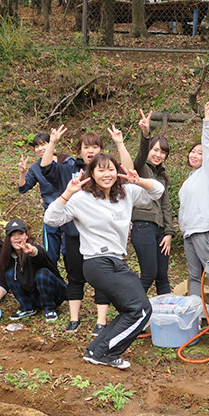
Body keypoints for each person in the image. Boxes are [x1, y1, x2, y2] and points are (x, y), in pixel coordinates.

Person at [44, 154, 164, 369]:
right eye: (100, 170)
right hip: (97, 262)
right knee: (142, 309)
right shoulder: (81, 198)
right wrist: (67, 193)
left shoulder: (126, 193)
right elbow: (51, 219)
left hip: (117, 261)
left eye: (110, 169)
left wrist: (138, 180)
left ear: (116, 171)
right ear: (91, 174)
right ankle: (105, 353)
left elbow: (157, 191)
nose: (106, 174)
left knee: (132, 309)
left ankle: (96, 350)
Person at [41, 125, 132, 334]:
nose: (90, 151)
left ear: (101, 149)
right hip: (74, 233)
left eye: (95, 147)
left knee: (102, 277)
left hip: (100, 236)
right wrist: (53, 142)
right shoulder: (69, 168)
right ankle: (74, 319)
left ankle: (100, 322)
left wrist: (119, 143)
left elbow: (129, 171)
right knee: (75, 275)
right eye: (86, 147)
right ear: (79, 150)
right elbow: (45, 168)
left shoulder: (108, 171)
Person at [0, 219, 66, 323]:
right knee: (9, 273)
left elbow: (40, 256)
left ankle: (50, 309)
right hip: (34, 295)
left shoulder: (34, 249)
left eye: (20, 233)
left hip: (54, 293)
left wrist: (32, 251)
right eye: (13, 235)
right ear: (8, 239)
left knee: (42, 274)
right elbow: (2, 281)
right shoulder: (7, 257)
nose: (17, 237)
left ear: (26, 236)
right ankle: (27, 307)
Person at [178, 97, 209, 297]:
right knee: (195, 275)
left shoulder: (208, 172)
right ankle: (196, 315)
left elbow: (208, 145)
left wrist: (207, 118)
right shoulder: (191, 178)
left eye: (199, 153)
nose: (194, 155)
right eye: (192, 152)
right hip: (188, 231)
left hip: (202, 228)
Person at [131, 109, 175, 295]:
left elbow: (166, 206)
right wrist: (145, 135)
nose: (159, 155)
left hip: (159, 230)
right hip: (142, 226)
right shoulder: (140, 169)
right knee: (148, 273)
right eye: (155, 150)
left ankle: (167, 319)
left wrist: (169, 232)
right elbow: (140, 156)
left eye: (163, 152)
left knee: (162, 276)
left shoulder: (161, 177)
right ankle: (134, 312)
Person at [17, 133, 71, 265]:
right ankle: (53, 279)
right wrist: (22, 173)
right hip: (50, 212)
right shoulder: (36, 168)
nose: (39, 149)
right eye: (36, 146)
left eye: (43, 144)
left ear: (51, 143)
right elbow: (23, 188)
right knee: (50, 253)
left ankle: (73, 282)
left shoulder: (66, 161)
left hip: (70, 212)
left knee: (69, 250)